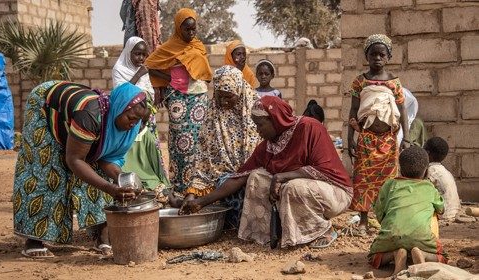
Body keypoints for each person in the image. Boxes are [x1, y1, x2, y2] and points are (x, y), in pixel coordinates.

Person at [181, 96, 353, 248]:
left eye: (260, 125)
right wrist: (201, 202)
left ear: (275, 119)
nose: (257, 130)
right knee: (256, 177)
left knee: (293, 187)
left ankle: (323, 231)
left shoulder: (310, 128)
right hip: (302, 192)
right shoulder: (268, 146)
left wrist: (282, 176)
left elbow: (323, 169)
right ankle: (266, 233)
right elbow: (237, 178)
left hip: (335, 192)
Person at [13, 81, 150, 258]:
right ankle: (34, 240)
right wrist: (110, 188)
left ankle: (101, 235)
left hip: (78, 120)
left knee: (98, 174)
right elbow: (75, 160)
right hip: (45, 106)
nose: (133, 125)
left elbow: (106, 158)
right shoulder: (90, 116)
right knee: (49, 170)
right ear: (119, 108)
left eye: (137, 121)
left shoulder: (130, 124)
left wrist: (120, 178)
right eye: (130, 118)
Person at [174, 65, 260, 227]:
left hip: (250, 176)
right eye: (219, 96)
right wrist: (192, 195)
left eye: (229, 97)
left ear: (239, 92)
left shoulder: (256, 114)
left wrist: (203, 201)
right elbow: (202, 163)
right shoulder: (213, 116)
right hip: (221, 182)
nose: (223, 102)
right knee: (223, 185)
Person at [145, 8, 213, 193]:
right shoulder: (169, 47)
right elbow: (149, 65)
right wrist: (166, 81)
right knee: (181, 141)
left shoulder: (198, 46)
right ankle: (180, 185)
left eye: (194, 29)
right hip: (178, 97)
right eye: (187, 30)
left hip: (199, 96)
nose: (191, 33)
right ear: (178, 28)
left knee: (200, 139)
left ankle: (198, 186)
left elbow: (203, 71)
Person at [347, 34, 410, 235]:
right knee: (363, 179)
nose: (377, 58)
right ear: (367, 56)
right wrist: (350, 138)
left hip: (388, 141)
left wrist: (406, 138)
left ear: (388, 56)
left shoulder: (394, 83)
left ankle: (385, 220)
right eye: (373, 54)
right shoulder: (360, 82)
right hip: (366, 138)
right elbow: (353, 112)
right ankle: (364, 221)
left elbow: (403, 113)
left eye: (382, 54)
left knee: (389, 181)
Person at [369, 146, 447, 275]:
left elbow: (379, 212)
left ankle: (396, 254)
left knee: (373, 257)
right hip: (422, 238)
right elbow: (441, 209)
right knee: (443, 256)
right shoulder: (429, 187)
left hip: (392, 236)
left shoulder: (389, 184)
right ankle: (422, 254)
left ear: (400, 168)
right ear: (426, 171)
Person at [112, 36, 170, 199]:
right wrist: (139, 74)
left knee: (148, 145)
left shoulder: (143, 70)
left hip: (146, 115)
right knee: (131, 147)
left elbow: (147, 91)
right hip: (129, 116)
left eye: (144, 55)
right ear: (128, 53)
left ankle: (150, 177)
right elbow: (122, 93)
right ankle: (130, 180)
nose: (141, 58)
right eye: (137, 54)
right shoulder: (119, 69)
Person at [424, 137, 460, 221]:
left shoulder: (430, 172)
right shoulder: (445, 171)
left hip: (443, 215)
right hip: (453, 212)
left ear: (427, 152)